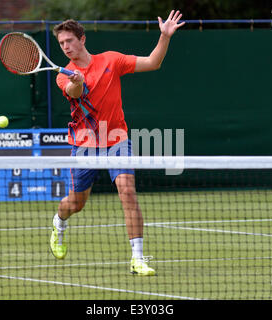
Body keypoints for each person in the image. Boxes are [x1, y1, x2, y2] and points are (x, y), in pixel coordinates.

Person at [50, 10, 185, 276]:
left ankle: (137, 259)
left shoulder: (111, 60)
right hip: (85, 144)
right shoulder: (63, 74)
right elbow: (73, 92)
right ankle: (59, 222)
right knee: (76, 203)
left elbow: (152, 62)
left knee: (128, 192)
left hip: (117, 139)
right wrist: (77, 82)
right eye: (61, 43)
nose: (65, 47)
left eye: (69, 41)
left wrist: (165, 37)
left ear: (82, 39)